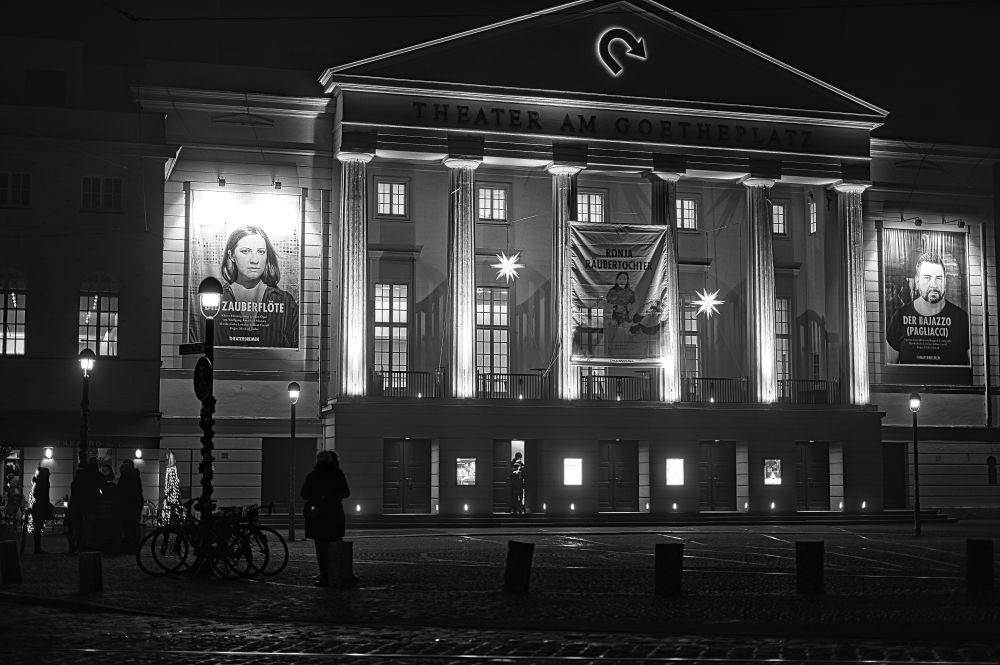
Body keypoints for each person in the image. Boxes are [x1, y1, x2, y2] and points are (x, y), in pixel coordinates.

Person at [216, 224, 299, 348]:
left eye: (261, 252)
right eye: (245, 251)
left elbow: (296, 351)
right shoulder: (216, 300)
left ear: (267, 256)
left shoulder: (285, 302)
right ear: (231, 255)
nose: (254, 260)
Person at [886, 252, 970, 365]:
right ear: (917, 281)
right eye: (927, 277)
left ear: (945, 281)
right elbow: (890, 368)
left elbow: (975, 367)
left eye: (939, 278)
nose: (933, 284)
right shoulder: (900, 317)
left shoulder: (961, 319)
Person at [300, 450, 351, 587]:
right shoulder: (337, 474)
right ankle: (338, 573)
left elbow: (304, 494)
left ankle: (324, 575)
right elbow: (346, 493)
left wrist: (317, 497)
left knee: (321, 548)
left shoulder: (313, 475)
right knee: (336, 545)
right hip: (335, 515)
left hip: (318, 517)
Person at [116, 459, 144, 552]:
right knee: (133, 527)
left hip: (127, 507)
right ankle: (134, 547)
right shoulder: (136, 477)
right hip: (135, 506)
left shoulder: (124, 479)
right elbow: (139, 493)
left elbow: (120, 493)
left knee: (128, 528)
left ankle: (129, 547)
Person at [604, 271, 635, 346]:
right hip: (614, 316)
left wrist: (629, 311)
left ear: (627, 280)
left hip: (626, 317)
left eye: (624, 278)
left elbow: (632, 304)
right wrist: (615, 307)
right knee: (612, 336)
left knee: (627, 337)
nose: (622, 280)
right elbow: (608, 304)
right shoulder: (612, 291)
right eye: (620, 278)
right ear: (617, 280)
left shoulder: (630, 292)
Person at [29, 467, 54, 554]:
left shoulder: (39, 482)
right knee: (38, 528)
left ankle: (37, 547)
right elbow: (43, 496)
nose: (49, 474)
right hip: (41, 507)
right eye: (48, 473)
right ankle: (37, 548)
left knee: (38, 528)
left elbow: (37, 495)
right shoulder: (44, 483)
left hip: (38, 507)